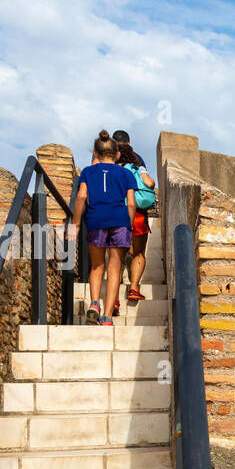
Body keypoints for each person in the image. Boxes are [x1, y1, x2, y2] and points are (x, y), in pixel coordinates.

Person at [67, 130, 136, 326]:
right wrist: (128, 227)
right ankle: (106, 316)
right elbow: (131, 203)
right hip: (120, 221)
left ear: (95, 154)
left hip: (96, 220)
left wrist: (75, 225)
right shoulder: (126, 173)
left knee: (97, 266)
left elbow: (81, 197)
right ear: (117, 154)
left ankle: (95, 303)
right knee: (115, 268)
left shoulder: (88, 172)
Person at [116, 140, 156, 315]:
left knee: (117, 257)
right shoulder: (137, 164)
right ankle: (133, 289)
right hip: (138, 214)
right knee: (139, 253)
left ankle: (114, 299)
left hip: (118, 213)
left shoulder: (112, 167)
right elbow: (150, 184)